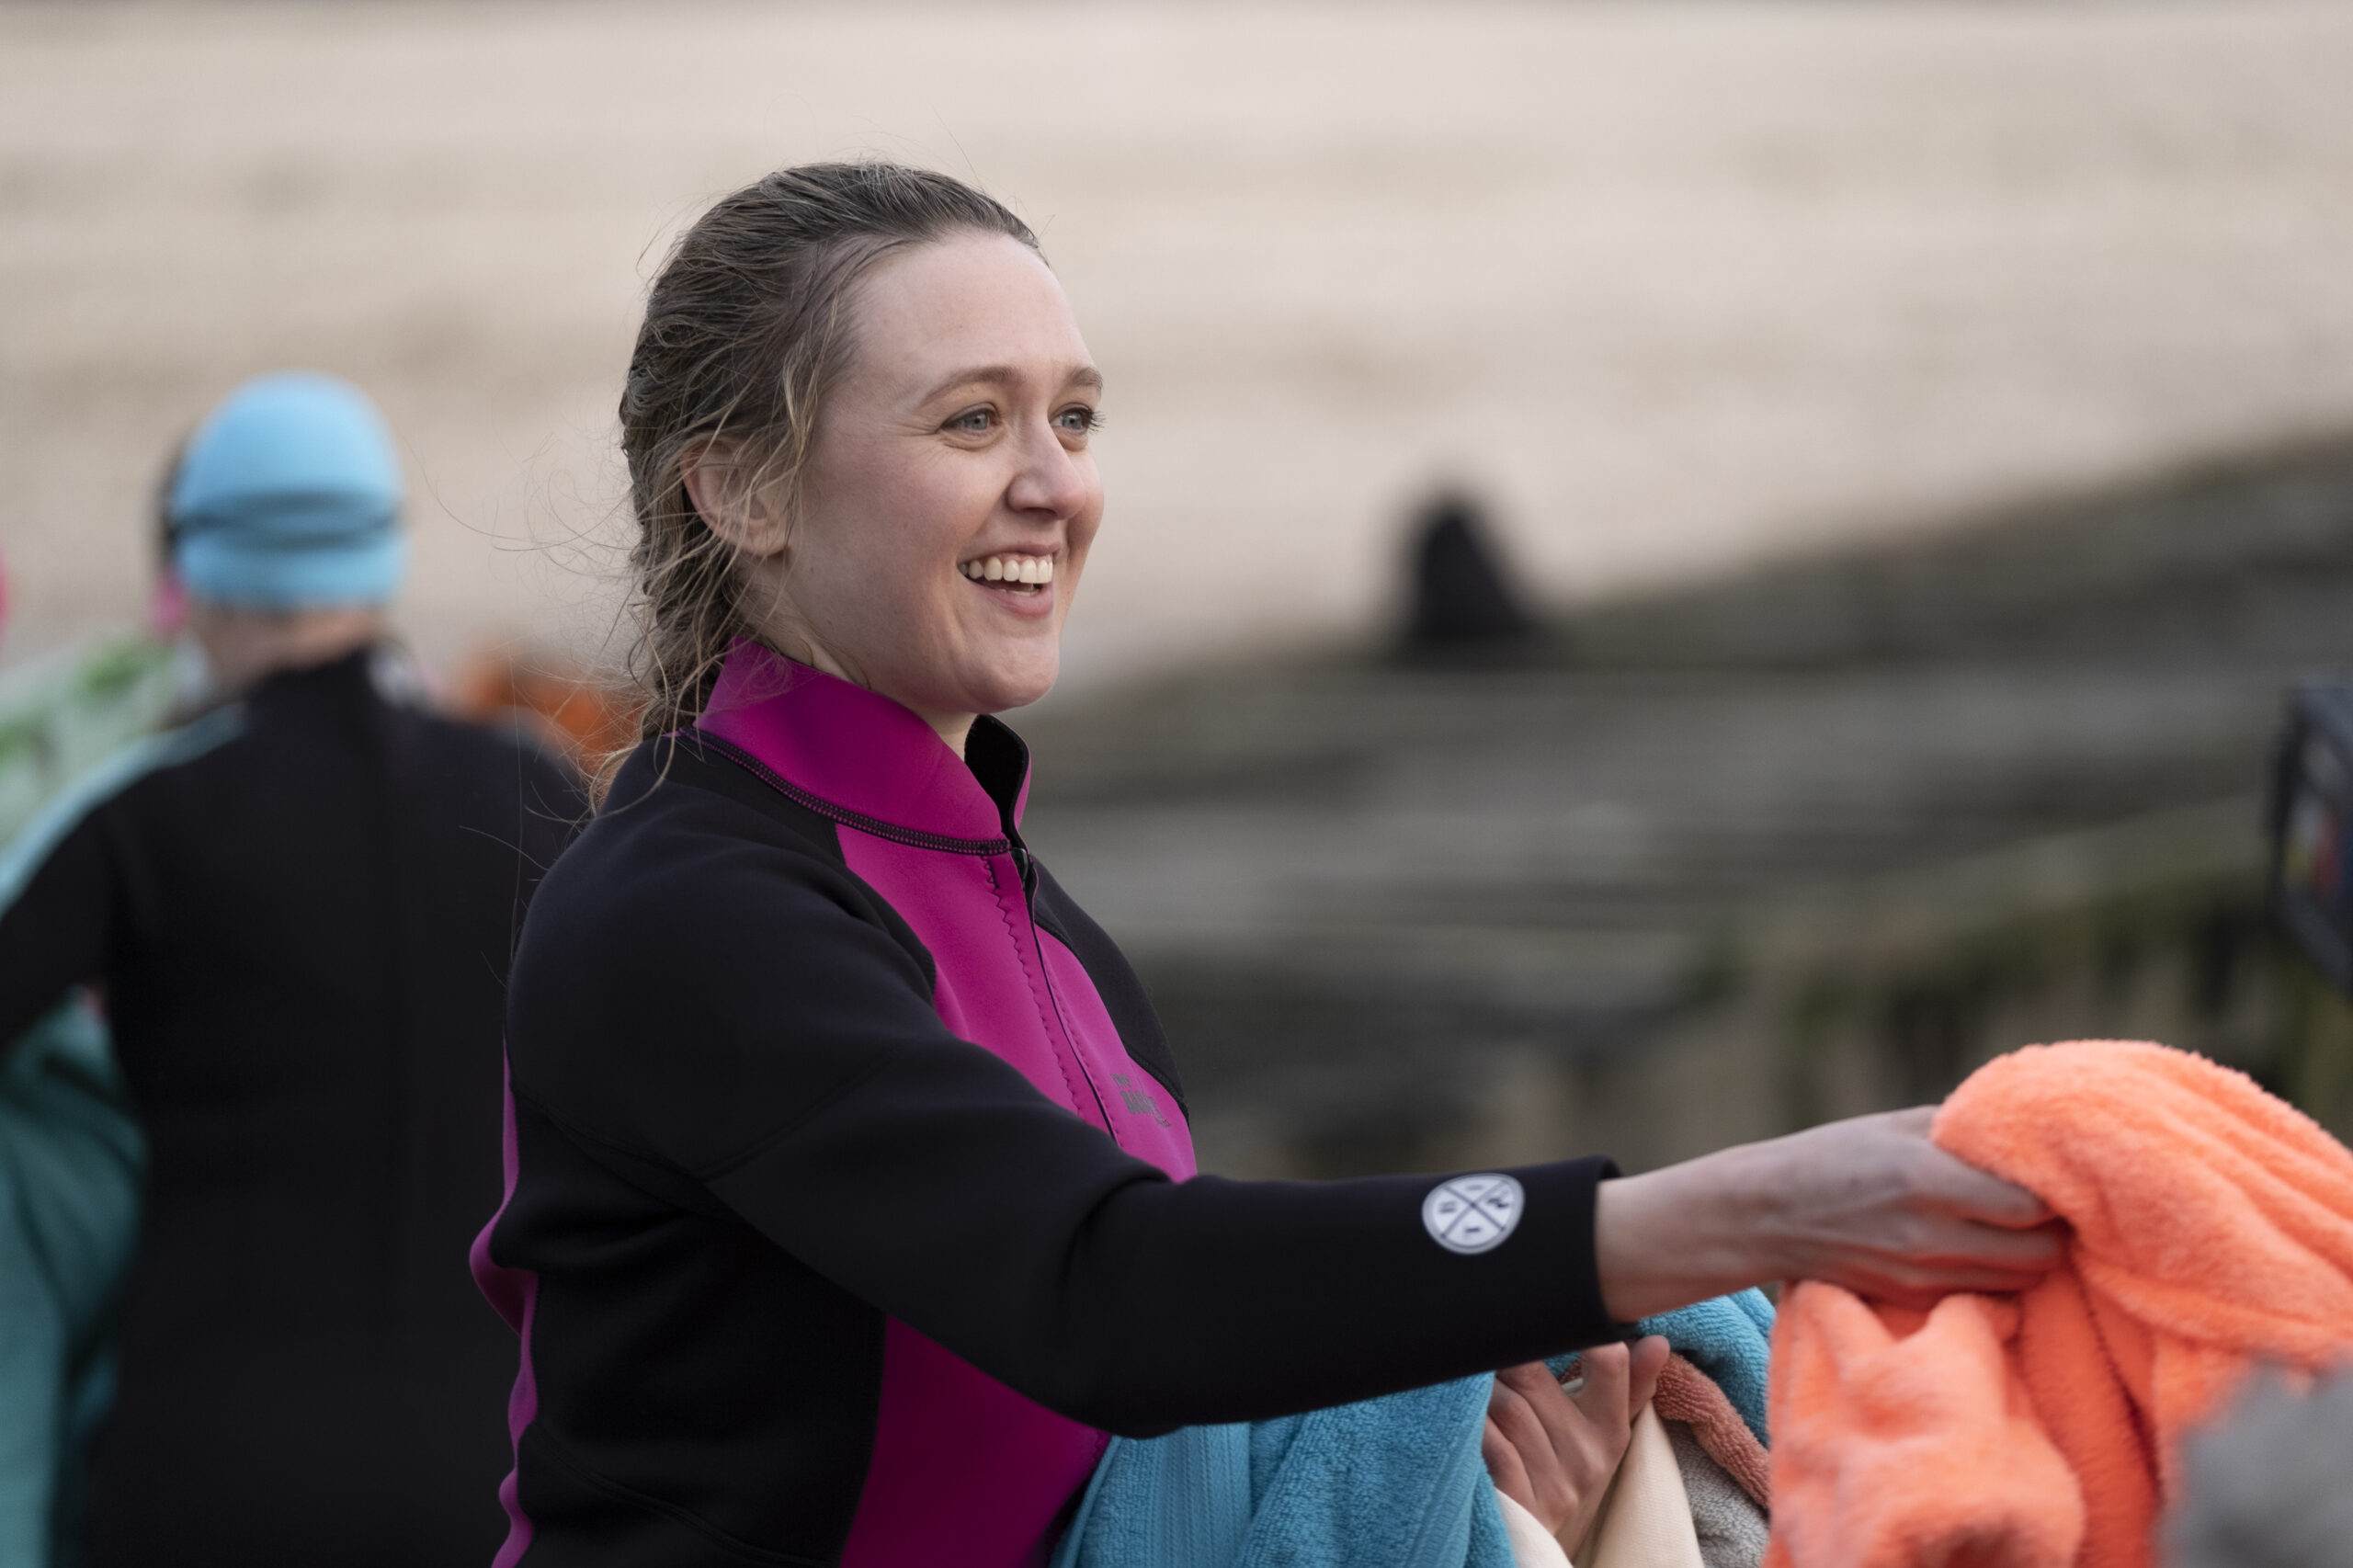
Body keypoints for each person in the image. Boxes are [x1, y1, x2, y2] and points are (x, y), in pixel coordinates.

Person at [476, 164, 2062, 1568]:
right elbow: (1110, 1292)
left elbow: (1152, 1413)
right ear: (738, 484)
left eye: (1074, 417)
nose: (1057, 483)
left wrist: (1523, 1490)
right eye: (973, 419)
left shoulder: (1037, 913)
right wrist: (1736, 1212)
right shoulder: (685, 917)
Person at [0, 372, 583, 1567]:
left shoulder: (141, 815)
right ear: (382, 558)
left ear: (197, 571)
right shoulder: (536, 790)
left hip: (206, 1461)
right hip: (497, 1461)